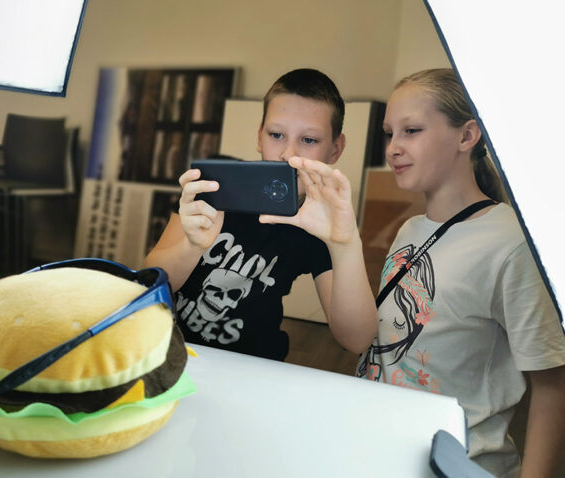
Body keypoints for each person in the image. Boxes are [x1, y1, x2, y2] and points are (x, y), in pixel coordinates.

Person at [263, 68, 565, 477]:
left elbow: (552, 384)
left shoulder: (510, 243)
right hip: (386, 449)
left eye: (412, 131)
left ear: (467, 135)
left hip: (456, 464)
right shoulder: (410, 229)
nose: (393, 148)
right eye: (390, 134)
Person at [144, 68, 377, 361]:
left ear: (335, 149)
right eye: (276, 135)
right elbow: (150, 283)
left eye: (309, 140)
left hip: (253, 363)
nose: (288, 154)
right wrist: (191, 246)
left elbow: (357, 340)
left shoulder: (320, 224)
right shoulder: (216, 183)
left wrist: (345, 243)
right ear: (259, 136)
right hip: (170, 350)